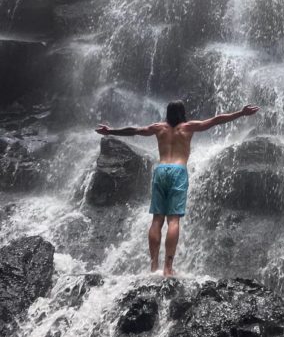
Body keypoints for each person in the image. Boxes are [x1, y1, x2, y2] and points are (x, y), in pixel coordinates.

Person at [95, 100, 260, 276]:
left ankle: (153, 266)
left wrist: (110, 131)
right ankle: (168, 268)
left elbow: (134, 130)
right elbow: (216, 120)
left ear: (167, 113)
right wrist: (241, 113)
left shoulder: (158, 128)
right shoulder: (188, 127)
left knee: (157, 219)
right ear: (183, 113)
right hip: (178, 171)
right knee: (173, 220)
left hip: (160, 171)